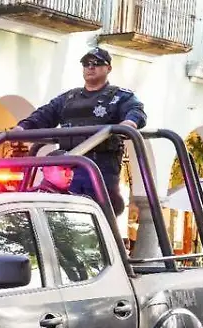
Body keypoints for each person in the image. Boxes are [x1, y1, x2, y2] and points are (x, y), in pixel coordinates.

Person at [14, 47, 146, 215]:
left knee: (99, 212)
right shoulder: (68, 98)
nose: (91, 67)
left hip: (101, 166)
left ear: (108, 68)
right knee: (63, 212)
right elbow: (45, 113)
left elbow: (136, 110)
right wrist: (22, 127)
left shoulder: (120, 96)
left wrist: (130, 122)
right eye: (86, 63)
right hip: (68, 164)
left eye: (97, 63)